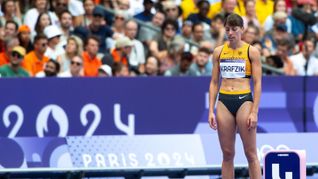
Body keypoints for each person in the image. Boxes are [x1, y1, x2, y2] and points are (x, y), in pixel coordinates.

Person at [208, 13, 262, 179]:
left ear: (242, 30)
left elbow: (258, 83)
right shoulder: (218, 52)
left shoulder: (251, 52)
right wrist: (210, 110)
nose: (230, 33)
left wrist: (254, 112)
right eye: (227, 29)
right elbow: (214, 83)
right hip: (224, 101)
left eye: (234, 29)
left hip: (243, 100)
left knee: (251, 153)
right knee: (227, 154)